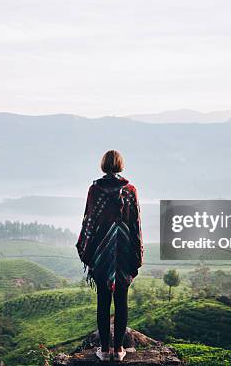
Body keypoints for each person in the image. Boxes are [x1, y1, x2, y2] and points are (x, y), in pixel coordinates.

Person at [76, 150, 143, 362]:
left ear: (103, 165)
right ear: (121, 165)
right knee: (121, 302)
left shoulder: (95, 190)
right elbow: (135, 224)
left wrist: (86, 248)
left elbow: (89, 221)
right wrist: (136, 252)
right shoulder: (130, 190)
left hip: (101, 254)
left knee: (103, 301)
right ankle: (120, 349)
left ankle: (104, 351)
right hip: (123, 253)